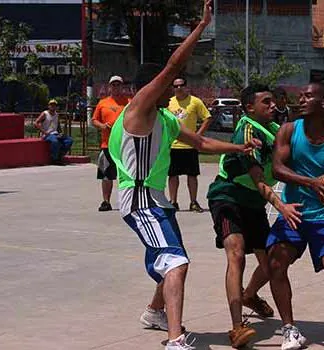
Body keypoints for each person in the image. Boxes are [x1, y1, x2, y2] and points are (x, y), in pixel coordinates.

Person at [107, 2, 259, 349]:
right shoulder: (139, 111)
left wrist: (239, 149)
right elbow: (175, 63)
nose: (173, 87)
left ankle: (155, 313)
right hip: (140, 199)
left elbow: (202, 141)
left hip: (157, 199)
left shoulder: (165, 119)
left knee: (171, 258)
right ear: (150, 88)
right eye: (166, 84)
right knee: (176, 261)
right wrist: (202, 26)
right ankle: (176, 339)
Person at [206, 84, 302, 348]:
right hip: (228, 196)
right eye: (266, 102)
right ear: (250, 107)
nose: (273, 105)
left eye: (274, 101)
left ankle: (249, 295)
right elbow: (259, 179)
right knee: (236, 254)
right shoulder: (247, 129)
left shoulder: (272, 130)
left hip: (254, 203)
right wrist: (282, 207)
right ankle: (237, 327)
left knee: (271, 262)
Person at [268, 82, 324, 350]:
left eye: (308, 96)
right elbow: (277, 168)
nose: (301, 99)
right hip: (294, 210)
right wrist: (312, 183)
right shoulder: (288, 131)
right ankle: (289, 329)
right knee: (276, 262)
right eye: (301, 95)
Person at [167, 77, 212, 212]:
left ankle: (193, 201)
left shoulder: (195, 101)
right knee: (172, 175)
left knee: (192, 175)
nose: (179, 88)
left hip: (190, 145)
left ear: (186, 86)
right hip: (173, 145)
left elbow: (207, 118)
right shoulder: (169, 102)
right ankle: (173, 201)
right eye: (175, 86)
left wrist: (198, 135)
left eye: (181, 85)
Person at [92, 75, 130, 212]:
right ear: (109, 87)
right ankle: (106, 201)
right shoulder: (103, 103)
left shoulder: (129, 102)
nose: (116, 87)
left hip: (125, 145)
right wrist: (102, 126)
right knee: (106, 175)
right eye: (113, 85)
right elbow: (94, 120)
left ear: (122, 86)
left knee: (127, 174)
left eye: (118, 84)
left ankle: (128, 201)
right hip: (107, 145)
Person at [35, 99, 73, 165]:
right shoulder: (45, 114)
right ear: (48, 106)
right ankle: (54, 159)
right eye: (51, 105)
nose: (53, 106)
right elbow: (36, 123)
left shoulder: (56, 114)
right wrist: (44, 132)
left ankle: (60, 156)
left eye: (54, 105)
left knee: (69, 140)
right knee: (55, 141)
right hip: (47, 134)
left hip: (55, 133)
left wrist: (60, 133)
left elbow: (57, 125)